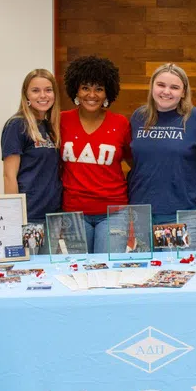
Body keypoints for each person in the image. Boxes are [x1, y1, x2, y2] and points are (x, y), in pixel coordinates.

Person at [60, 55, 131, 254]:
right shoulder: (61, 121)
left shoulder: (121, 124)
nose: (92, 94)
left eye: (99, 88)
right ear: (76, 90)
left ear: (107, 92)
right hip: (74, 213)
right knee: (77, 272)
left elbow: (133, 161)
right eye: (85, 87)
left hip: (113, 213)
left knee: (108, 271)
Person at [127, 63, 196, 225]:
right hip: (142, 210)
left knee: (187, 253)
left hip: (188, 212)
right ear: (152, 86)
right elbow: (133, 158)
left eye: (174, 87)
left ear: (183, 92)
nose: (166, 92)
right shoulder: (139, 117)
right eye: (160, 85)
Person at [2, 69, 62, 253]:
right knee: (28, 271)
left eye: (48, 90)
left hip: (52, 215)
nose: (43, 95)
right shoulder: (17, 125)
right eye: (36, 90)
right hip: (29, 216)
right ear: (26, 95)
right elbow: (8, 176)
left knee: (48, 273)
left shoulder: (50, 127)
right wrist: (15, 218)